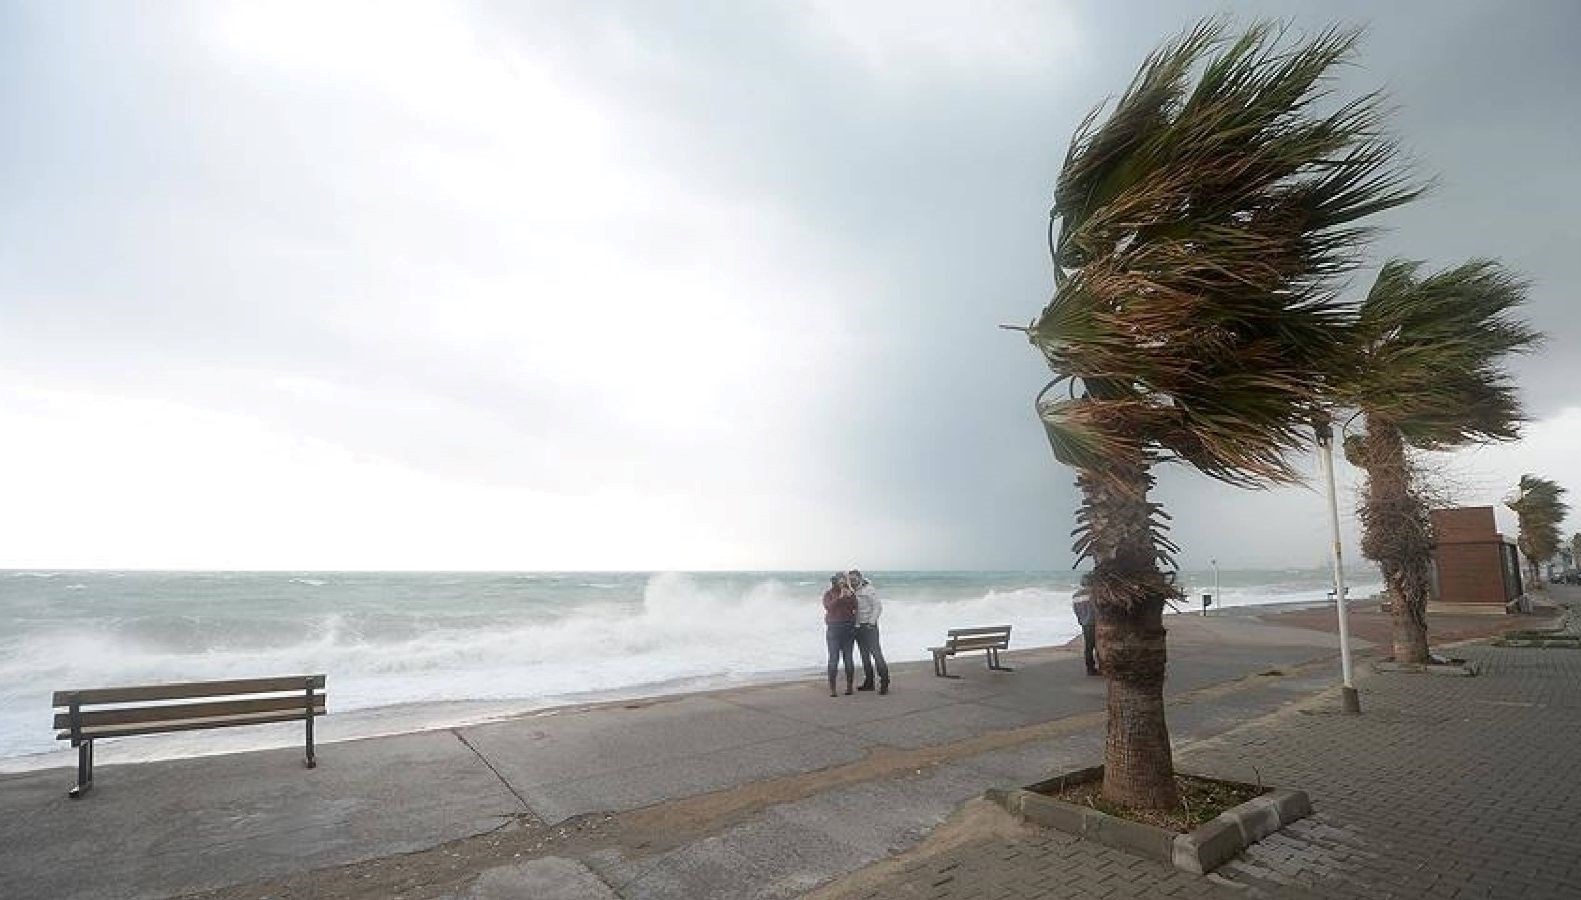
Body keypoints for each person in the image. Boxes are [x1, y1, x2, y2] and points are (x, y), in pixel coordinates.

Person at [848, 570, 890, 695]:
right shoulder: (853, 591)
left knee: (876, 654)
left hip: (869, 626)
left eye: (854, 579)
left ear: (860, 578)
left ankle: (884, 682)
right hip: (858, 627)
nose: (853, 581)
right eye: (850, 579)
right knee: (864, 656)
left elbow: (877, 607)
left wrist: (871, 622)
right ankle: (869, 682)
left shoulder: (868, 589)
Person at [822, 573, 858, 697]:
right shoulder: (829, 594)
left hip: (848, 628)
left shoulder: (849, 593)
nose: (843, 583)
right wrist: (840, 598)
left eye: (844, 581)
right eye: (841, 581)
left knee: (848, 658)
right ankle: (833, 689)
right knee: (834, 658)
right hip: (834, 628)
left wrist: (851, 596)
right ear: (835, 582)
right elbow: (828, 607)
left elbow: (855, 607)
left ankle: (849, 687)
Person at [1073, 593, 1099, 676]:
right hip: (1094, 622)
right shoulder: (1092, 593)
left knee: (1088, 646)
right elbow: (1096, 608)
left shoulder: (1076, 596)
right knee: (1097, 645)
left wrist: (1080, 619)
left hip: (1085, 623)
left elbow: (1076, 610)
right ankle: (1098, 667)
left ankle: (1090, 668)